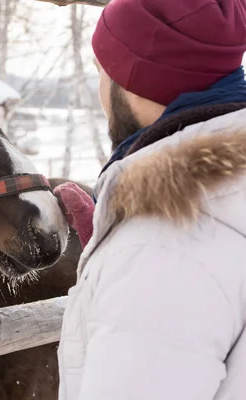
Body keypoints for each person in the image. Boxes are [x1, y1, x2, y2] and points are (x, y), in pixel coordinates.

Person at [56, 0, 246, 399]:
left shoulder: (161, 254)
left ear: (133, 81)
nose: (101, 92)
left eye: (101, 72)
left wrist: (133, 249)